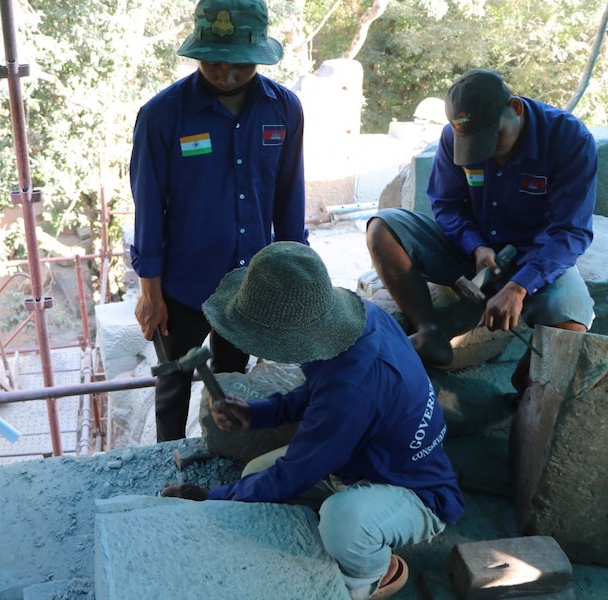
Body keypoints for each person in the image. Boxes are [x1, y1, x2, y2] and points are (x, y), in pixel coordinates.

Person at [162, 242, 464, 600]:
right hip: (363, 456)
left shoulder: (349, 393)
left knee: (342, 522)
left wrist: (212, 498)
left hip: (417, 492)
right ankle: (348, 514)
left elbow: (296, 469)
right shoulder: (356, 325)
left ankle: (373, 574)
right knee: (252, 478)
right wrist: (256, 414)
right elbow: (319, 392)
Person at [130, 0, 306, 441]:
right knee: (173, 386)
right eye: (214, 63)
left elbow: (289, 196)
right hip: (182, 286)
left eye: (240, 66)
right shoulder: (162, 115)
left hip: (249, 285)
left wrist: (294, 273)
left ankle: (223, 459)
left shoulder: (284, 110)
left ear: (259, 56)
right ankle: (165, 467)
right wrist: (150, 289)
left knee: (232, 382)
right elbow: (147, 203)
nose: (226, 75)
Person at [366, 68, 597, 391]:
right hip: (470, 252)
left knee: (572, 324)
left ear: (515, 108)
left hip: (535, 258)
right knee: (383, 227)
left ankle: (525, 387)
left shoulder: (569, 140)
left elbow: (571, 233)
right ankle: (429, 331)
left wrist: (519, 287)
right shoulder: (453, 137)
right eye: (472, 144)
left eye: (493, 139)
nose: (485, 152)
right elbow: (446, 205)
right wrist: (475, 246)